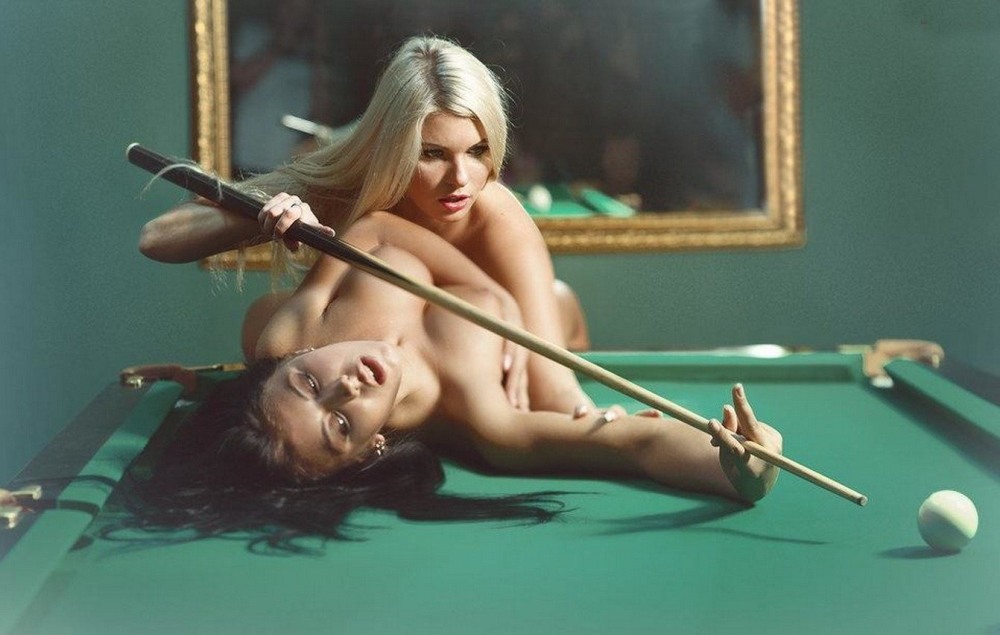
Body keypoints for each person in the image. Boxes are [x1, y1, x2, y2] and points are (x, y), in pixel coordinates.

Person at [121, 211, 782, 551]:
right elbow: (630, 444)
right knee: (560, 315)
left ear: (292, 363)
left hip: (482, 259)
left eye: (308, 385)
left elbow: (374, 226)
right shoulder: (487, 418)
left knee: (259, 324)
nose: (346, 387)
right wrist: (749, 466)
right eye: (342, 425)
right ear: (372, 449)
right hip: (541, 314)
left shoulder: (288, 338)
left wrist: (502, 299)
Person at [138, 35, 592, 416]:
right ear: (392, 147)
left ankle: (563, 311)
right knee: (265, 316)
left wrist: (596, 421)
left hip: (500, 344)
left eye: (477, 151)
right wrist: (267, 214)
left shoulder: (497, 215)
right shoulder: (344, 191)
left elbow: (556, 390)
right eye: (432, 153)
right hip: (412, 366)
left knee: (556, 300)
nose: (461, 179)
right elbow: (156, 240)